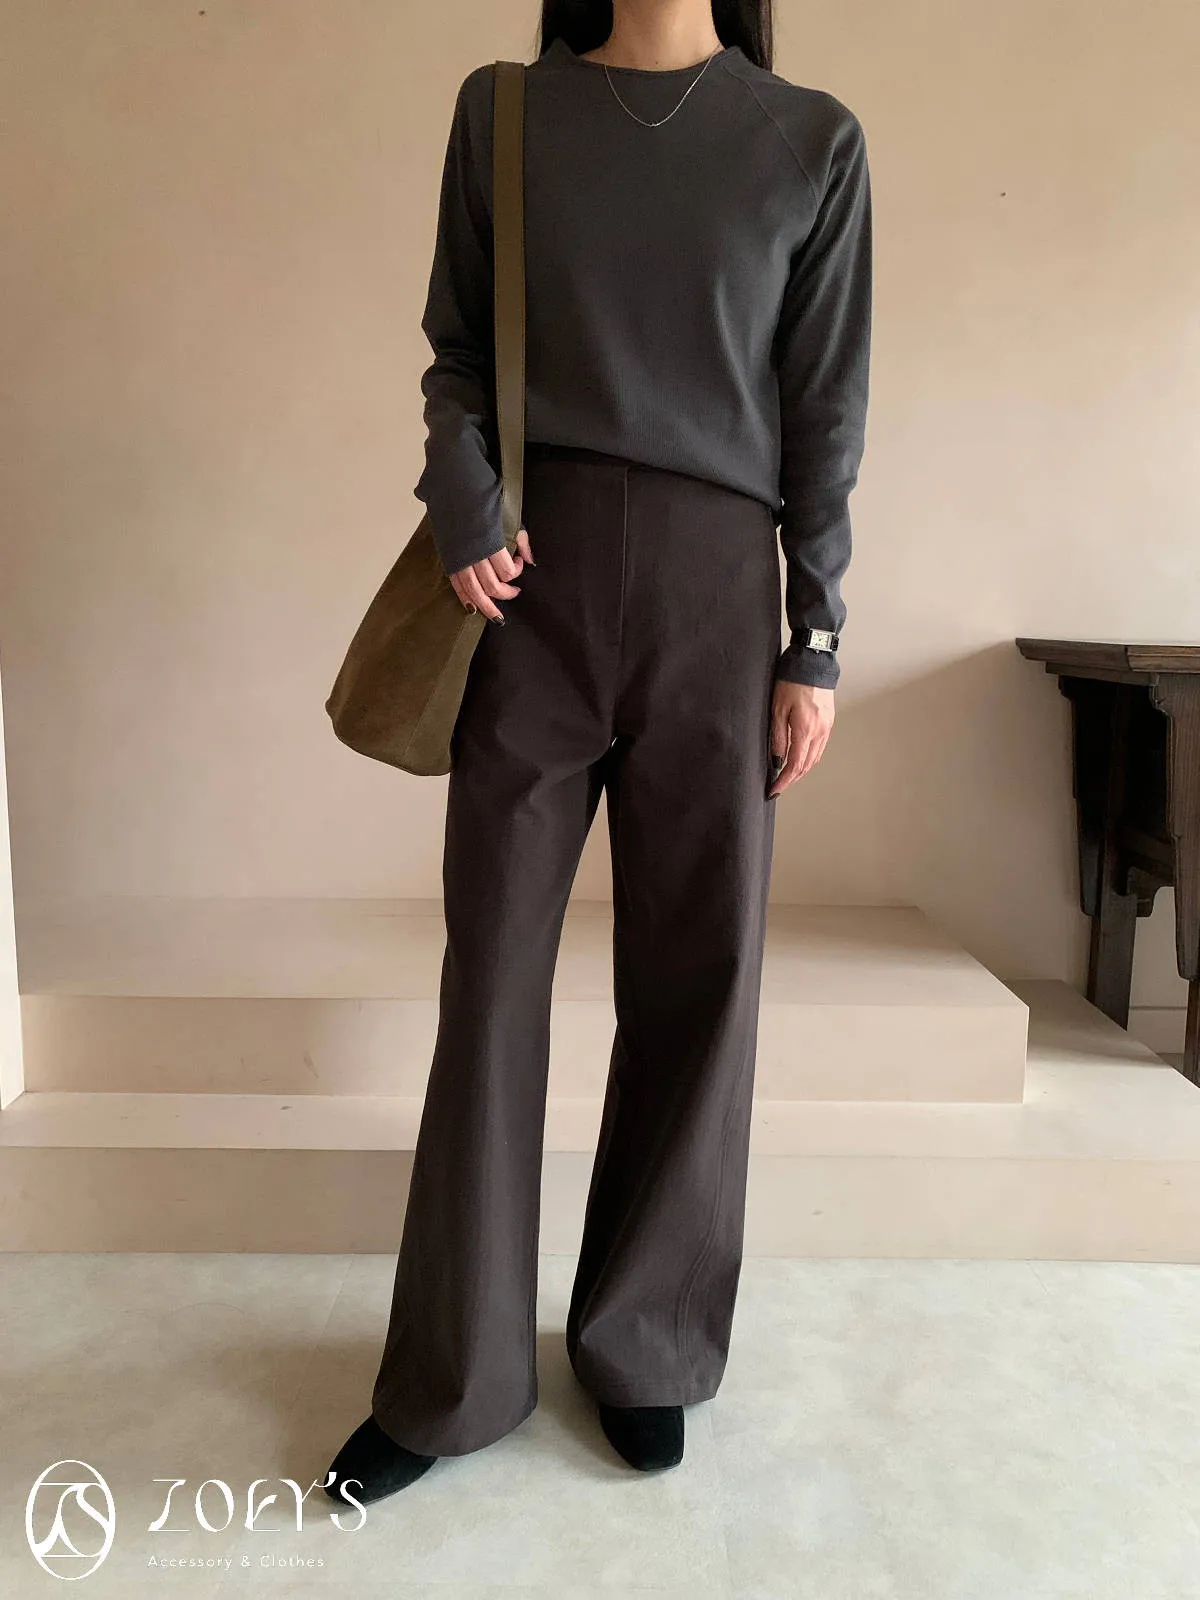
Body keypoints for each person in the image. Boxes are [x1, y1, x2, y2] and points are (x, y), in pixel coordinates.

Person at [325, 0, 872, 1504]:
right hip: (530, 591)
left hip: (718, 596)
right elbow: (455, 347)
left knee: (700, 975)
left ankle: (644, 1346)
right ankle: (455, 1378)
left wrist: (815, 637)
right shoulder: (505, 111)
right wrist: (463, 503)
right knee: (493, 974)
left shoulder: (810, 142)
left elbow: (825, 406)